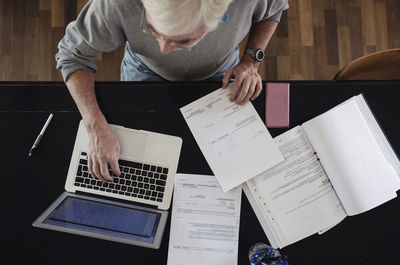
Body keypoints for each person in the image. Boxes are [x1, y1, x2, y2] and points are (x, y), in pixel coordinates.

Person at [56, 0, 289, 182]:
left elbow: (273, 9)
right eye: (154, 31)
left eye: (182, 40)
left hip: (223, 75)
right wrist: (94, 125)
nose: (164, 50)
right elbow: (71, 55)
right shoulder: (117, 4)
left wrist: (251, 61)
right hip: (143, 71)